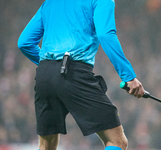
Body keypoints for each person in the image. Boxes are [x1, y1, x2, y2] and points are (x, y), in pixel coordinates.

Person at [18, 0, 145, 150]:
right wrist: (128, 76)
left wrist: (50, 66)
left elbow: (24, 42)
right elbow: (105, 35)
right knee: (116, 141)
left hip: (44, 75)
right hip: (73, 72)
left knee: (46, 145)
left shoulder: (50, 3)